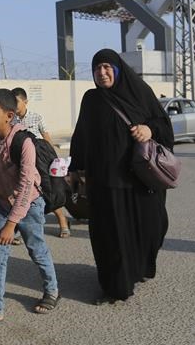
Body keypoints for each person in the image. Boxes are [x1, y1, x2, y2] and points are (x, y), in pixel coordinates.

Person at [68, 49, 173, 304]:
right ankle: (115, 286)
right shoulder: (91, 99)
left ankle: (140, 267)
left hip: (140, 181)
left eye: (106, 67)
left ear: (117, 69)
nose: (102, 73)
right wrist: (74, 169)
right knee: (110, 236)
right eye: (97, 69)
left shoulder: (139, 93)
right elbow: (81, 136)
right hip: (105, 183)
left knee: (150, 227)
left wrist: (149, 129)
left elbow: (164, 125)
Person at [0, 89, 60, 331]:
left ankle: (52, 290)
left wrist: (12, 224)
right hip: (2, 203)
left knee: (37, 249)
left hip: (30, 204)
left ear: (9, 115)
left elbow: (25, 186)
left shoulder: (24, 142)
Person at [11, 87, 71, 238]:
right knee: (23, 194)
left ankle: (63, 222)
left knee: (48, 192)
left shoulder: (36, 118)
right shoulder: (11, 120)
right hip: (22, 161)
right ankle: (19, 229)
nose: (14, 105)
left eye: (16, 102)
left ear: (25, 102)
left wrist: (54, 160)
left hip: (40, 161)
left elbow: (46, 138)